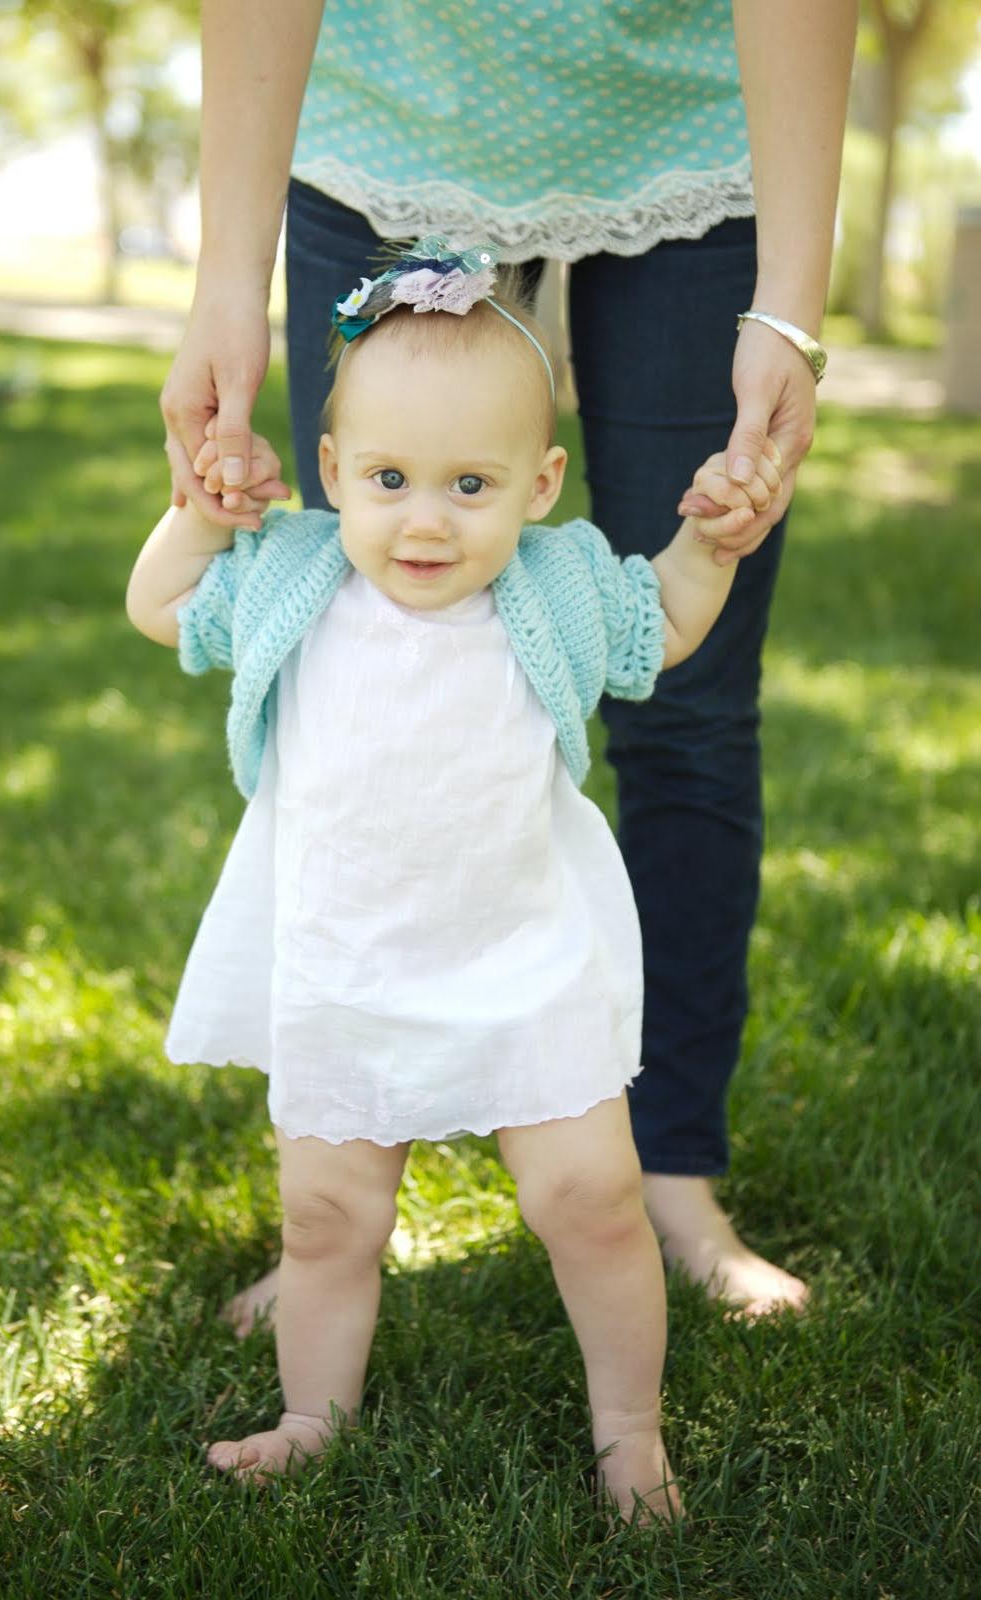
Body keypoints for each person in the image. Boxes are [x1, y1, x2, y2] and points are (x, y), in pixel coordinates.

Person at [161, 0, 856, 1320]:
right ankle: (339, 1210)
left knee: (690, 703)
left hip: (693, 145)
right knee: (336, 647)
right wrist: (220, 284)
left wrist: (788, 312)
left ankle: (665, 1167)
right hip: (383, 132)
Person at [127, 249, 783, 1516]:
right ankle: (312, 1413)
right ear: (331, 474)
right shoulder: (297, 575)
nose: (424, 520)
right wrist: (204, 514)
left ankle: (630, 1431)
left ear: (541, 487)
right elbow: (159, 605)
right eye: (388, 480)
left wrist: (711, 543)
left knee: (589, 1200)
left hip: (519, 958)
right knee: (326, 1218)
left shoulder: (554, 587)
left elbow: (668, 621)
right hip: (347, 964)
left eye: (469, 485)